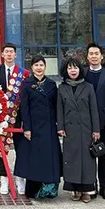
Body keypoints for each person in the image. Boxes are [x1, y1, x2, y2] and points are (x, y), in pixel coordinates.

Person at [15, 55, 61, 199]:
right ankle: (34, 189)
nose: (39, 68)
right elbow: (24, 108)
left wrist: (59, 125)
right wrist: (27, 128)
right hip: (33, 128)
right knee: (34, 158)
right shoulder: (27, 84)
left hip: (49, 127)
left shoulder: (52, 84)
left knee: (49, 157)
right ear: (32, 68)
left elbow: (57, 106)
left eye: (41, 65)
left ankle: (49, 188)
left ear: (45, 67)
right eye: (36, 65)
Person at [0, 42, 30, 195]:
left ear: (15, 55)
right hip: (1, 118)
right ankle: (3, 178)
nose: (9, 54)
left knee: (21, 148)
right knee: (1, 149)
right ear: (2, 54)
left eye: (11, 52)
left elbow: (27, 97)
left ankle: (20, 178)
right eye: (6, 52)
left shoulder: (23, 73)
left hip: (18, 117)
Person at [57, 58, 100, 203]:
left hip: (86, 129)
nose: (73, 71)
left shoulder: (88, 87)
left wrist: (96, 129)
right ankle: (74, 189)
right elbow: (59, 109)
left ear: (80, 70)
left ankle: (87, 190)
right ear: (66, 71)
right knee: (71, 159)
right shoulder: (62, 88)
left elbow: (94, 109)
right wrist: (60, 127)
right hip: (69, 130)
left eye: (75, 68)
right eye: (70, 68)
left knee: (87, 160)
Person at [83, 43, 105, 200]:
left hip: (103, 122)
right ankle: (91, 186)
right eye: (91, 53)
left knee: (103, 155)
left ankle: (104, 187)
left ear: (102, 56)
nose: (94, 56)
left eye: (97, 53)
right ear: (87, 56)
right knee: (88, 155)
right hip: (85, 122)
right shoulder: (82, 73)